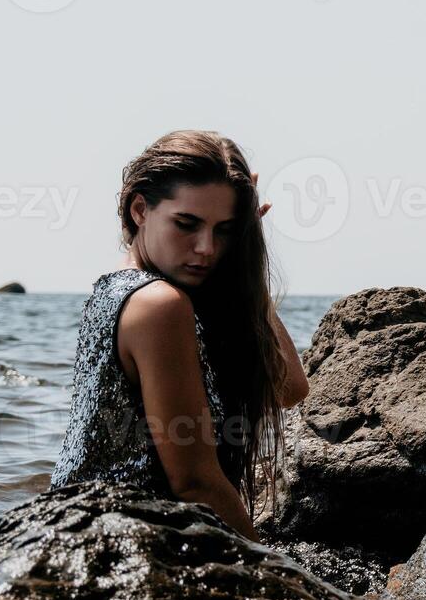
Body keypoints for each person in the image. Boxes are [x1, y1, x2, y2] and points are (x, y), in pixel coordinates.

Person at [50, 130, 310, 540]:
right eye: (187, 224)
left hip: (90, 529)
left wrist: (246, 261)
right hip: (121, 544)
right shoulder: (159, 305)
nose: (207, 248)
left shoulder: (125, 286)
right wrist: (277, 575)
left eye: (225, 230)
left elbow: (289, 388)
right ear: (140, 209)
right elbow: (195, 484)